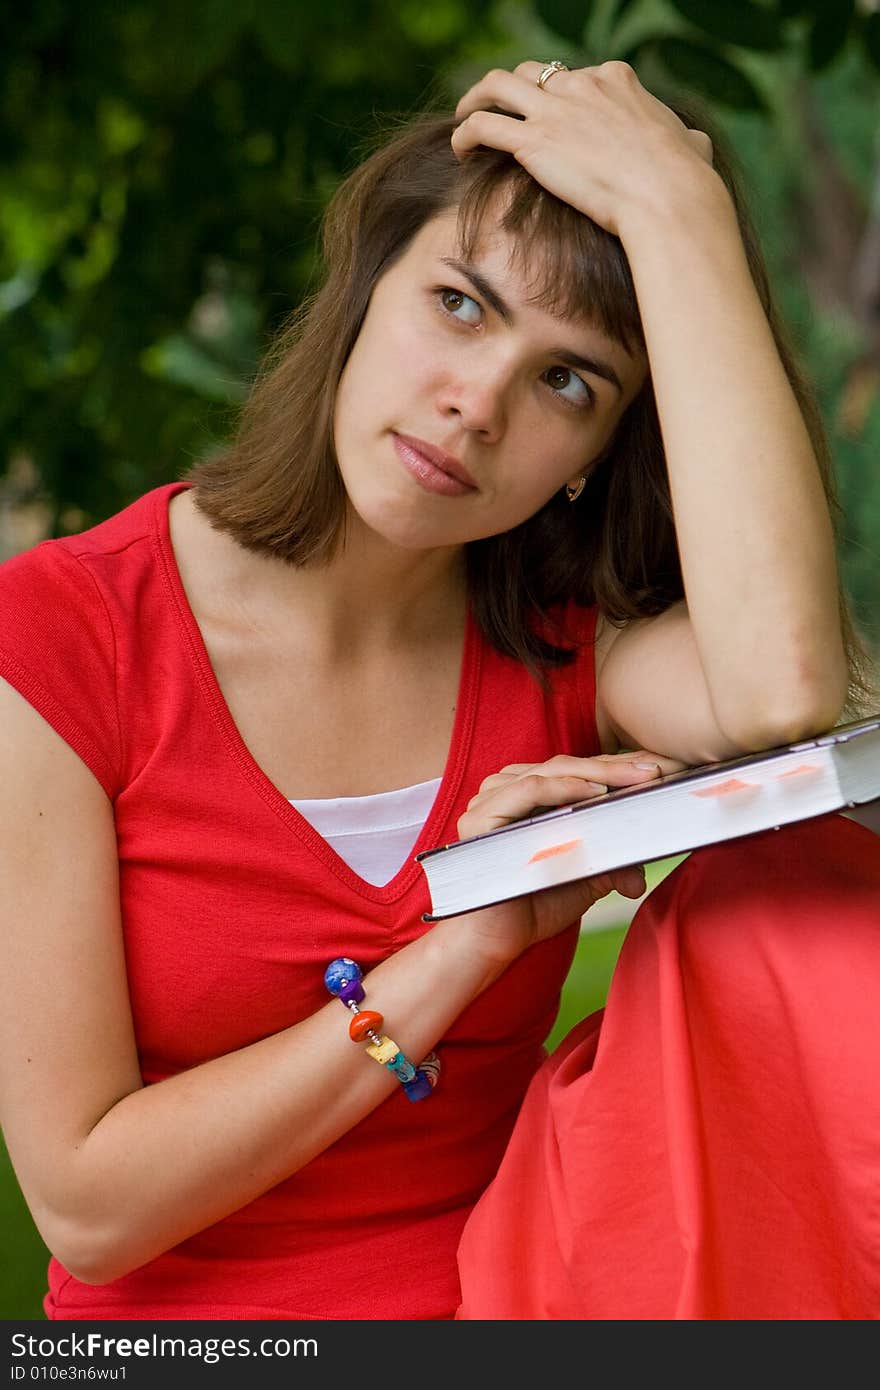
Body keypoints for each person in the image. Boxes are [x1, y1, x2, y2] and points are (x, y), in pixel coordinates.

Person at [0, 57, 877, 1323]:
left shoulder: (574, 650)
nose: (476, 405)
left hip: (511, 1301)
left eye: (566, 382)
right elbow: (91, 1204)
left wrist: (682, 214)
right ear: (362, 289)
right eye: (459, 305)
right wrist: (466, 941)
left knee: (790, 903)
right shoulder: (69, 635)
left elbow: (785, 686)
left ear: (592, 458)